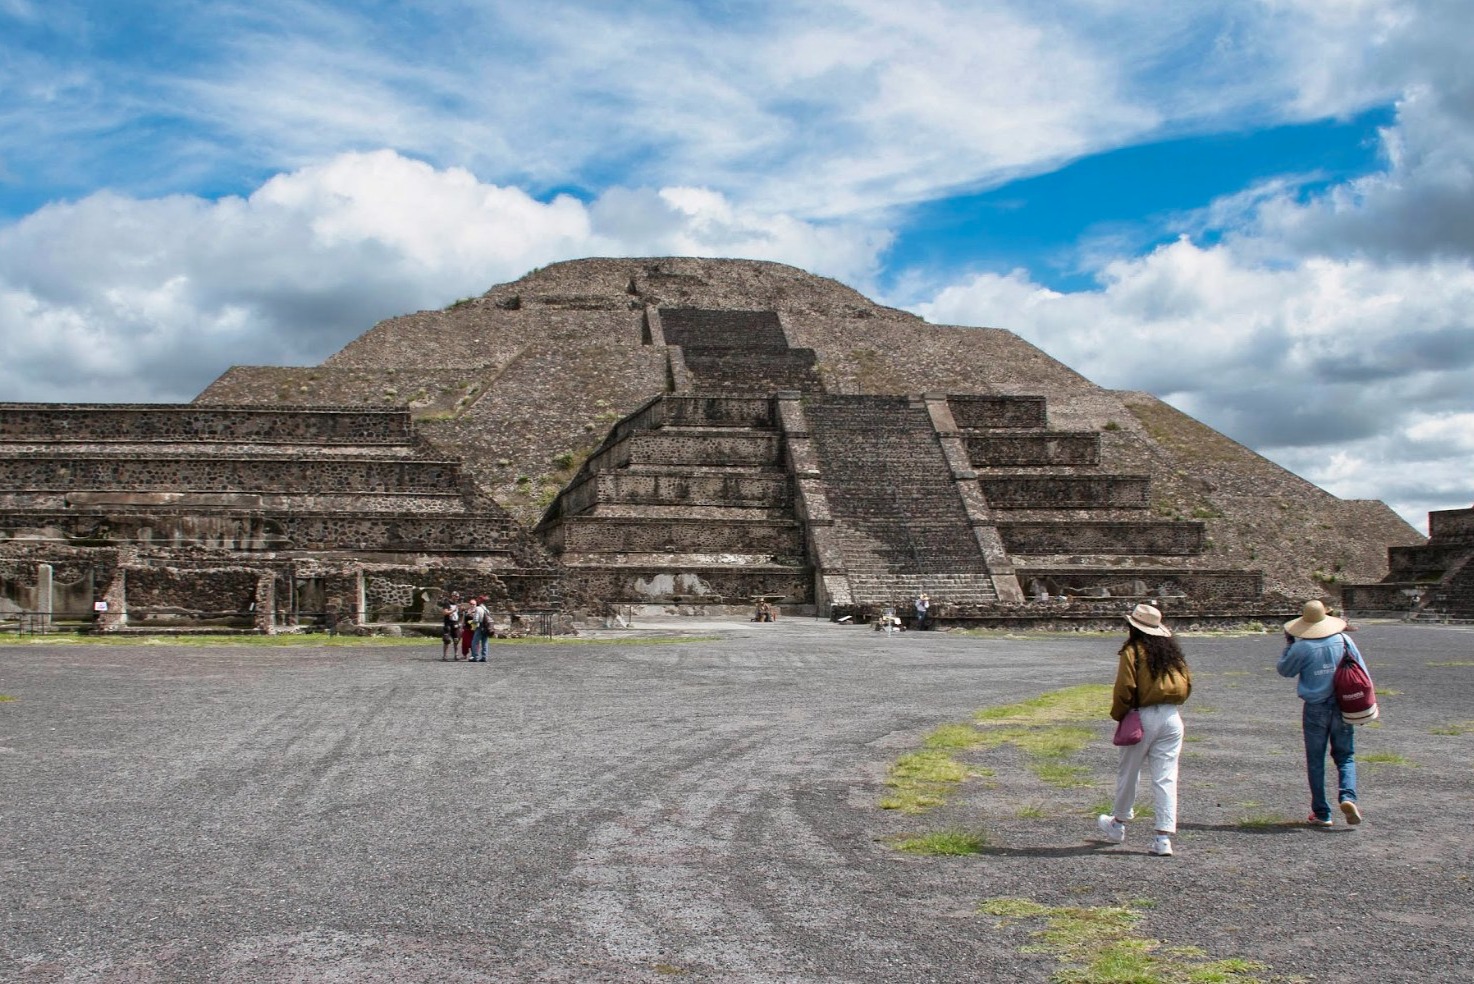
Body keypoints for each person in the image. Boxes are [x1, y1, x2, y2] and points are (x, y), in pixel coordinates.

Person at [1097, 603, 1192, 857]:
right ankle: (1163, 838)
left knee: (1129, 772)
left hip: (1143, 715)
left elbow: (1124, 688)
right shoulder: (1173, 655)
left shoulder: (1134, 652)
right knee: (1166, 776)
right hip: (1172, 716)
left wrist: (1120, 715)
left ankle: (1118, 823)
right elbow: (1187, 684)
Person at [1278, 599, 1367, 827]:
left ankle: (1322, 812)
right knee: (1345, 756)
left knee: (1316, 760)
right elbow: (1361, 672)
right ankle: (1348, 797)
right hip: (1342, 705)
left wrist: (1289, 644)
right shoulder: (1344, 640)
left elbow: (1285, 670)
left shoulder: (1302, 648)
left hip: (1315, 708)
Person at [439, 592, 461, 661]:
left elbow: (457, 614)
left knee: (456, 639)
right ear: (452, 596)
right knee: (447, 640)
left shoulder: (456, 604)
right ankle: (445, 656)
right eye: (456, 596)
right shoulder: (447, 603)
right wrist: (452, 611)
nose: (457, 598)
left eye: (458, 597)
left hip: (455, 623)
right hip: (448, 623)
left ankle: (456, 655)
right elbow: (444, 612)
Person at [470, 595, 491, 662]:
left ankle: (475, 657)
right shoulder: (486, 609)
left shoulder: (478, 608)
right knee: (485, 642)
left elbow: (476, 619)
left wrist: (472, 622)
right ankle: (484, 657)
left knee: (474, 642)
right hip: (486, 627)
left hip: (480, 626)